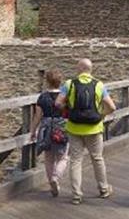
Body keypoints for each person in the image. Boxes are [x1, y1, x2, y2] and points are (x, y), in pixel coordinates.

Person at [55, 58, 117, 205]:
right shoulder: (99, 85)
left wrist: (67, 111)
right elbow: (112, 107)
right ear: (90, 70)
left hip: (74, 127)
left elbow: (57, 103)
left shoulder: (69, 84)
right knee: (97, 158)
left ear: (79, 69)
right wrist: (101, 115)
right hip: (94, 128)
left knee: (76, 160)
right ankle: (103, 189)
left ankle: (76, 195)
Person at [34, 69, 69, 198]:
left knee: (48, 158)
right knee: (63, 157)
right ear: (60, 82)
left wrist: (33, 131)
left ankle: (51, 183)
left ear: (47, 81)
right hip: (61, 127)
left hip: (46, 128)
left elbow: (37, 116)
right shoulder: (64, 97)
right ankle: (56, 177)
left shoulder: (42, 97)